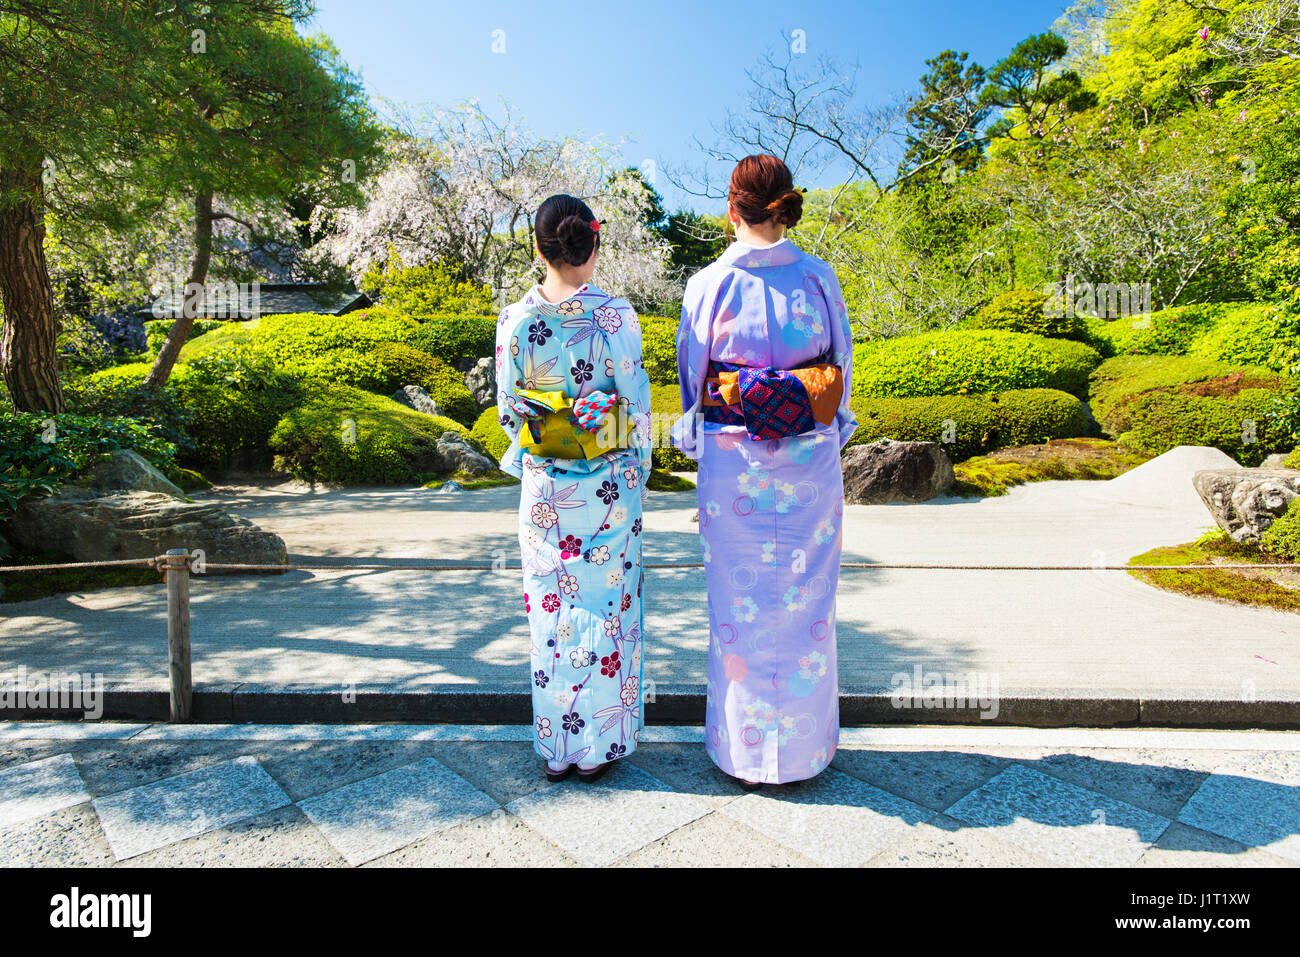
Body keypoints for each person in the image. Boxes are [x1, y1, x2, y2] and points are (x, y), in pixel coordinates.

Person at [673, 155, 857, 788]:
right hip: (810, 462)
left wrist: (710, 424)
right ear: (786, 207)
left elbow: (693, 381)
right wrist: (829, 425)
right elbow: (840, 373)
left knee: (738, 605)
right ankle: (804, 752)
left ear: (733, 210)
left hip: (734, 462)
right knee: (808, 603)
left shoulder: (707, 285)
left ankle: (743, 753)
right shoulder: (818, 279)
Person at [495, 194, 652, 783]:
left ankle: (557, 747)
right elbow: (633, 410)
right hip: (608, 488)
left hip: (547, 496)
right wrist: (601, 432)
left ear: (539, 247)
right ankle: (598, 747)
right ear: (593, 242)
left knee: (551, 613)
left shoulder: (517, 322)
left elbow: (512, 414)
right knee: (608, 610)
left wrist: (553, 424)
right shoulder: (616, 316)